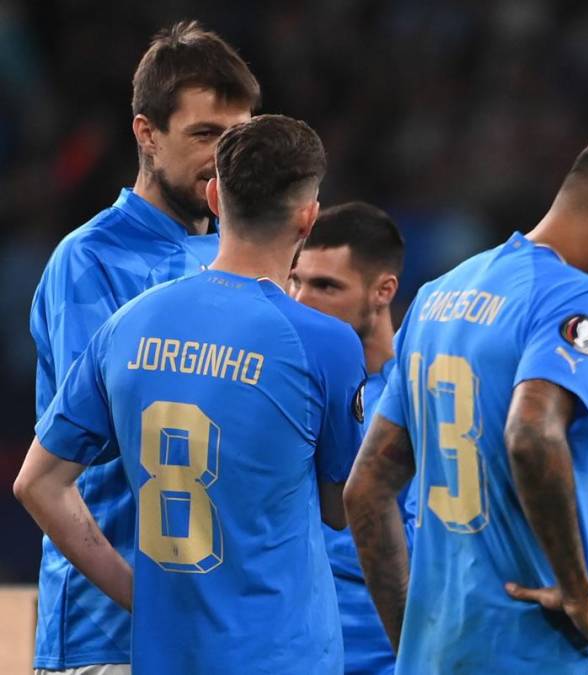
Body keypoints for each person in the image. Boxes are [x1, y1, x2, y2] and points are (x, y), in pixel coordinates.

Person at [15, 115, 365, 674]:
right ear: (308, 218)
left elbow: (36, 483)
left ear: (214, 195)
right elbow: (338, 507)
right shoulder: (325, 343)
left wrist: (140, 601)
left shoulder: (130, 323)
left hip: (165, 655)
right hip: (279, 654)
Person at [344, 127, 588, 674]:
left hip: (439, 656)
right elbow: (532, 435)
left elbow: (366, 490)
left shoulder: (439, 295)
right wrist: (577, 592)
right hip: (536, 651)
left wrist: (412, 643)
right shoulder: (576, 298)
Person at [28, 20, 260, 674]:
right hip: (111, 633)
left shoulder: (238, 256)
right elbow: (104, 432)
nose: (226, 156)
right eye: (205, 134)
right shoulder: (89, 260)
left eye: (238, 136)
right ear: (147, 135)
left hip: (220, 631)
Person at [289, 201, 415, 674]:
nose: (300, 301)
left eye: (325, 286)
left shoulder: (422, 395)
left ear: (383, 291)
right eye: (296, 280)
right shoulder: (283, 389)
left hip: (392, 658)